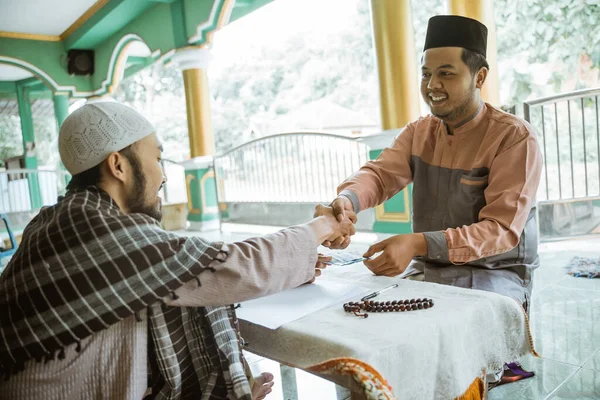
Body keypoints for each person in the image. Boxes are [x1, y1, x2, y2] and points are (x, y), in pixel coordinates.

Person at [0, 102, 355, 400]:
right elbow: (229, 268)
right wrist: (323, 228)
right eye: (157, 158)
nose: (163, 176)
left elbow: (184, 268)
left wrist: (300, 263)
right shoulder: (93, 230)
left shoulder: (60, 220)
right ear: (118, 165)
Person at [316, 15, 543, 309]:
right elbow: (380, 175)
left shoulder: (514, 137)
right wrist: (345, 201)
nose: (432, 85)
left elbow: (500, 230)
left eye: (446, 74)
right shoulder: (420, 132)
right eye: (426, 74)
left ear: (480, 77)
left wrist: (417, 244)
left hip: (496, 275)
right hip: (429, 268)